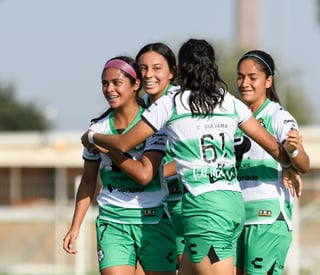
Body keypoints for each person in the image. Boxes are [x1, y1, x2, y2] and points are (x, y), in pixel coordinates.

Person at [81, 38, 300, 275]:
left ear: (181, 70)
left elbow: (124, 142)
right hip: (233, 205)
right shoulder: (228, 101)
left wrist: (93, 138)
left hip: (204, 209)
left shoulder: (172, 103)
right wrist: (288, 164)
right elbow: (272, 145)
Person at [63, 56, 177, 275]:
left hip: (152, 220)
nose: (109, 89)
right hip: (112, 221)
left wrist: (109, 149)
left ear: (136, 85)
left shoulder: (153, 125)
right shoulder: (97, 128)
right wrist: (75, 226)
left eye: (117, 83)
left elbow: (146, 176)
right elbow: (88, 181)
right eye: (105, 83)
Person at [234, 50, 310, 275]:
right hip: (236, 217)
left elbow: (304, 165)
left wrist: (293, 152)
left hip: (267, 218)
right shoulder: (233, 115)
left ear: (268, 81)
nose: (244, 83)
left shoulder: (277, 115)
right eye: (240, 77)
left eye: (252, 77)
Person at [135, 42, 185, 268]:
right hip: (148, 205)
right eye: (143, 68)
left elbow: (196, 153)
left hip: (182, 203)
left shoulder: (183, 101)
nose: (148, 75)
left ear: (172, 72)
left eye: (156, 68)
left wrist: (157, 173)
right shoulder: (137, 104)